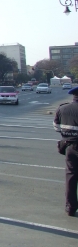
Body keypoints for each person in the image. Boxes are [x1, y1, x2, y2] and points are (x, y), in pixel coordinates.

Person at [54, 86, 78, 217]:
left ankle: (70, 207)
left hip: (69, 146)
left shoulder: (62, 109)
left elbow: (56, 127)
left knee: (71, 177)